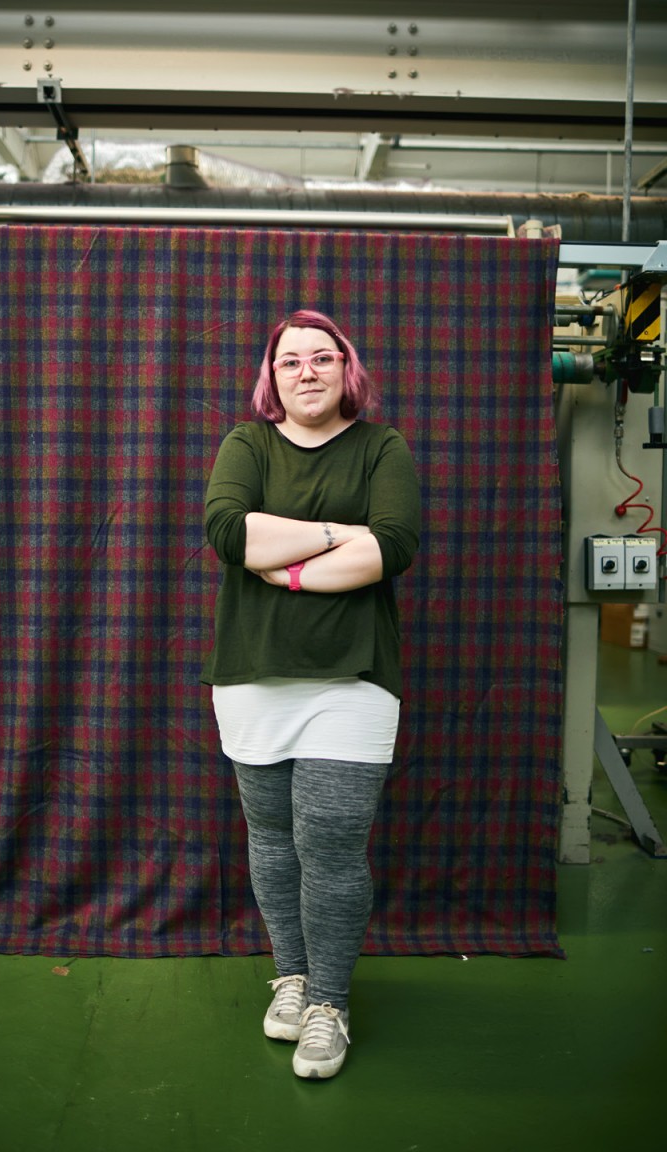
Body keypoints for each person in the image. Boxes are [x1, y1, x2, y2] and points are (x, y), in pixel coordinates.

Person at [201, 309, 421, 1080]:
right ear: (273, 376)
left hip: (353, 679)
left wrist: (288, 556)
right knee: (270, 840)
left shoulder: (380, 446)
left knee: (328, 844)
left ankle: (330, 1004)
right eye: (290, 361)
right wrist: (337, 533)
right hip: (253, 676)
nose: (306, 372)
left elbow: (390, 546)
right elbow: (229, 532)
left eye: (321, 358)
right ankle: (290, 977)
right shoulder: (246, 443)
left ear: (345, 368)